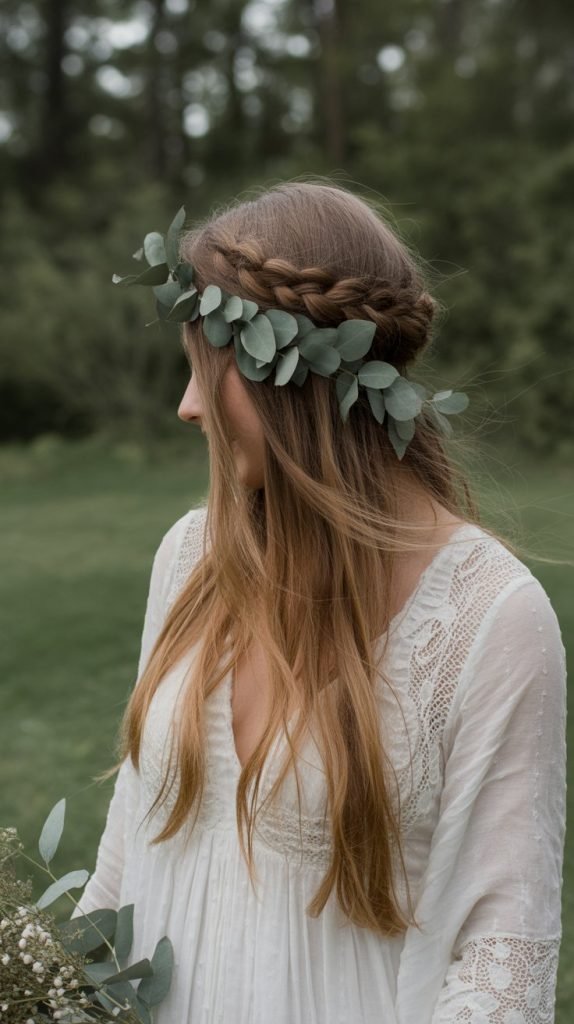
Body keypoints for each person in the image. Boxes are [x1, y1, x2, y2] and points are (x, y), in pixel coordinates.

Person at [72, 181, 567, 1024]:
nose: (187, 406)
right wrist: (64, 990)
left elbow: (502, 959)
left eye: (207, 370)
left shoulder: (493, 618)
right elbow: (131, 835)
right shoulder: (188, 559)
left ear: (289, 380)